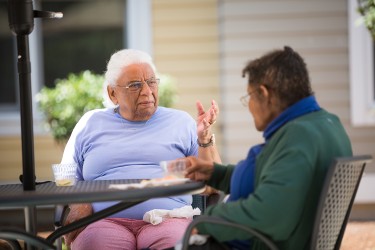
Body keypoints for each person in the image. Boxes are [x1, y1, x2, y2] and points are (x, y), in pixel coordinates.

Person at [181, 46, 353, 250]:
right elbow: (278, 178)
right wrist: (216, 173)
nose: (250, 105)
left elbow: (269, 216)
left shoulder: (298, 138)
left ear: (264, 93)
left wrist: (205, 220)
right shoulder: (325, 123)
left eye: (249, 97)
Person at [60, 49, 221, 250]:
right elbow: (64, 178)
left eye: (151, 82)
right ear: (113, 93)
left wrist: (204, 139)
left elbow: (214, 183)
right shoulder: (90, 123)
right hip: (103, 222)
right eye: (135, 85)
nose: (147, 91)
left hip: (168, 218)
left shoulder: (181, 122)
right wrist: (78, 203)